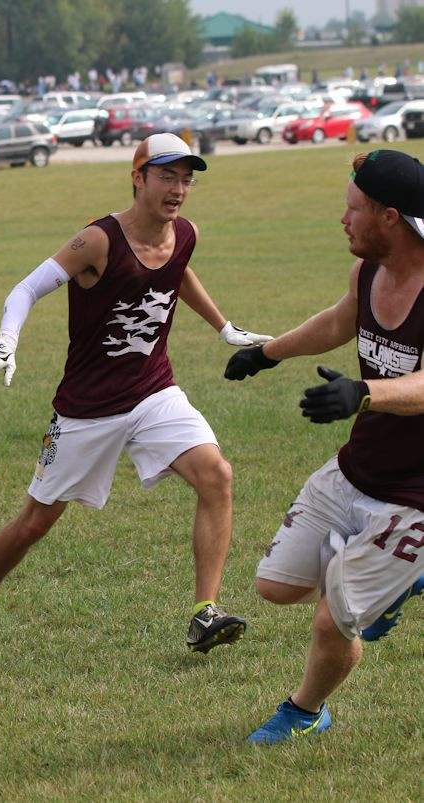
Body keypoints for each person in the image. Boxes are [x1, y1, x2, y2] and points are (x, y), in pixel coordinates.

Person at [0, 133, 270, 654]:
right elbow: (27, 287)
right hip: (86, 409)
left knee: (217, 475)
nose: (178, 189)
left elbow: (178, 272)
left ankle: (205, 612)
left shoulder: (185, 233)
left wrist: (223, 326)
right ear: (138, 177)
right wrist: (7, 338)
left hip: (153, 391)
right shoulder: (98, 240)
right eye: (166, 176)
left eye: (186, 179)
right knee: (35, 522)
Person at [225, 149, 424, 744]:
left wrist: (364, 392)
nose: (343, 219)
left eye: (353, 208)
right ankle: (391, 581)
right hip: (357, 468)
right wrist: (267, 353)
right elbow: (341, 319)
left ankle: (305, 711)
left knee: (332, 622)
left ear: (390, 217)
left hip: (415, 497)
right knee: (276, 586)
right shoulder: (367, 272)